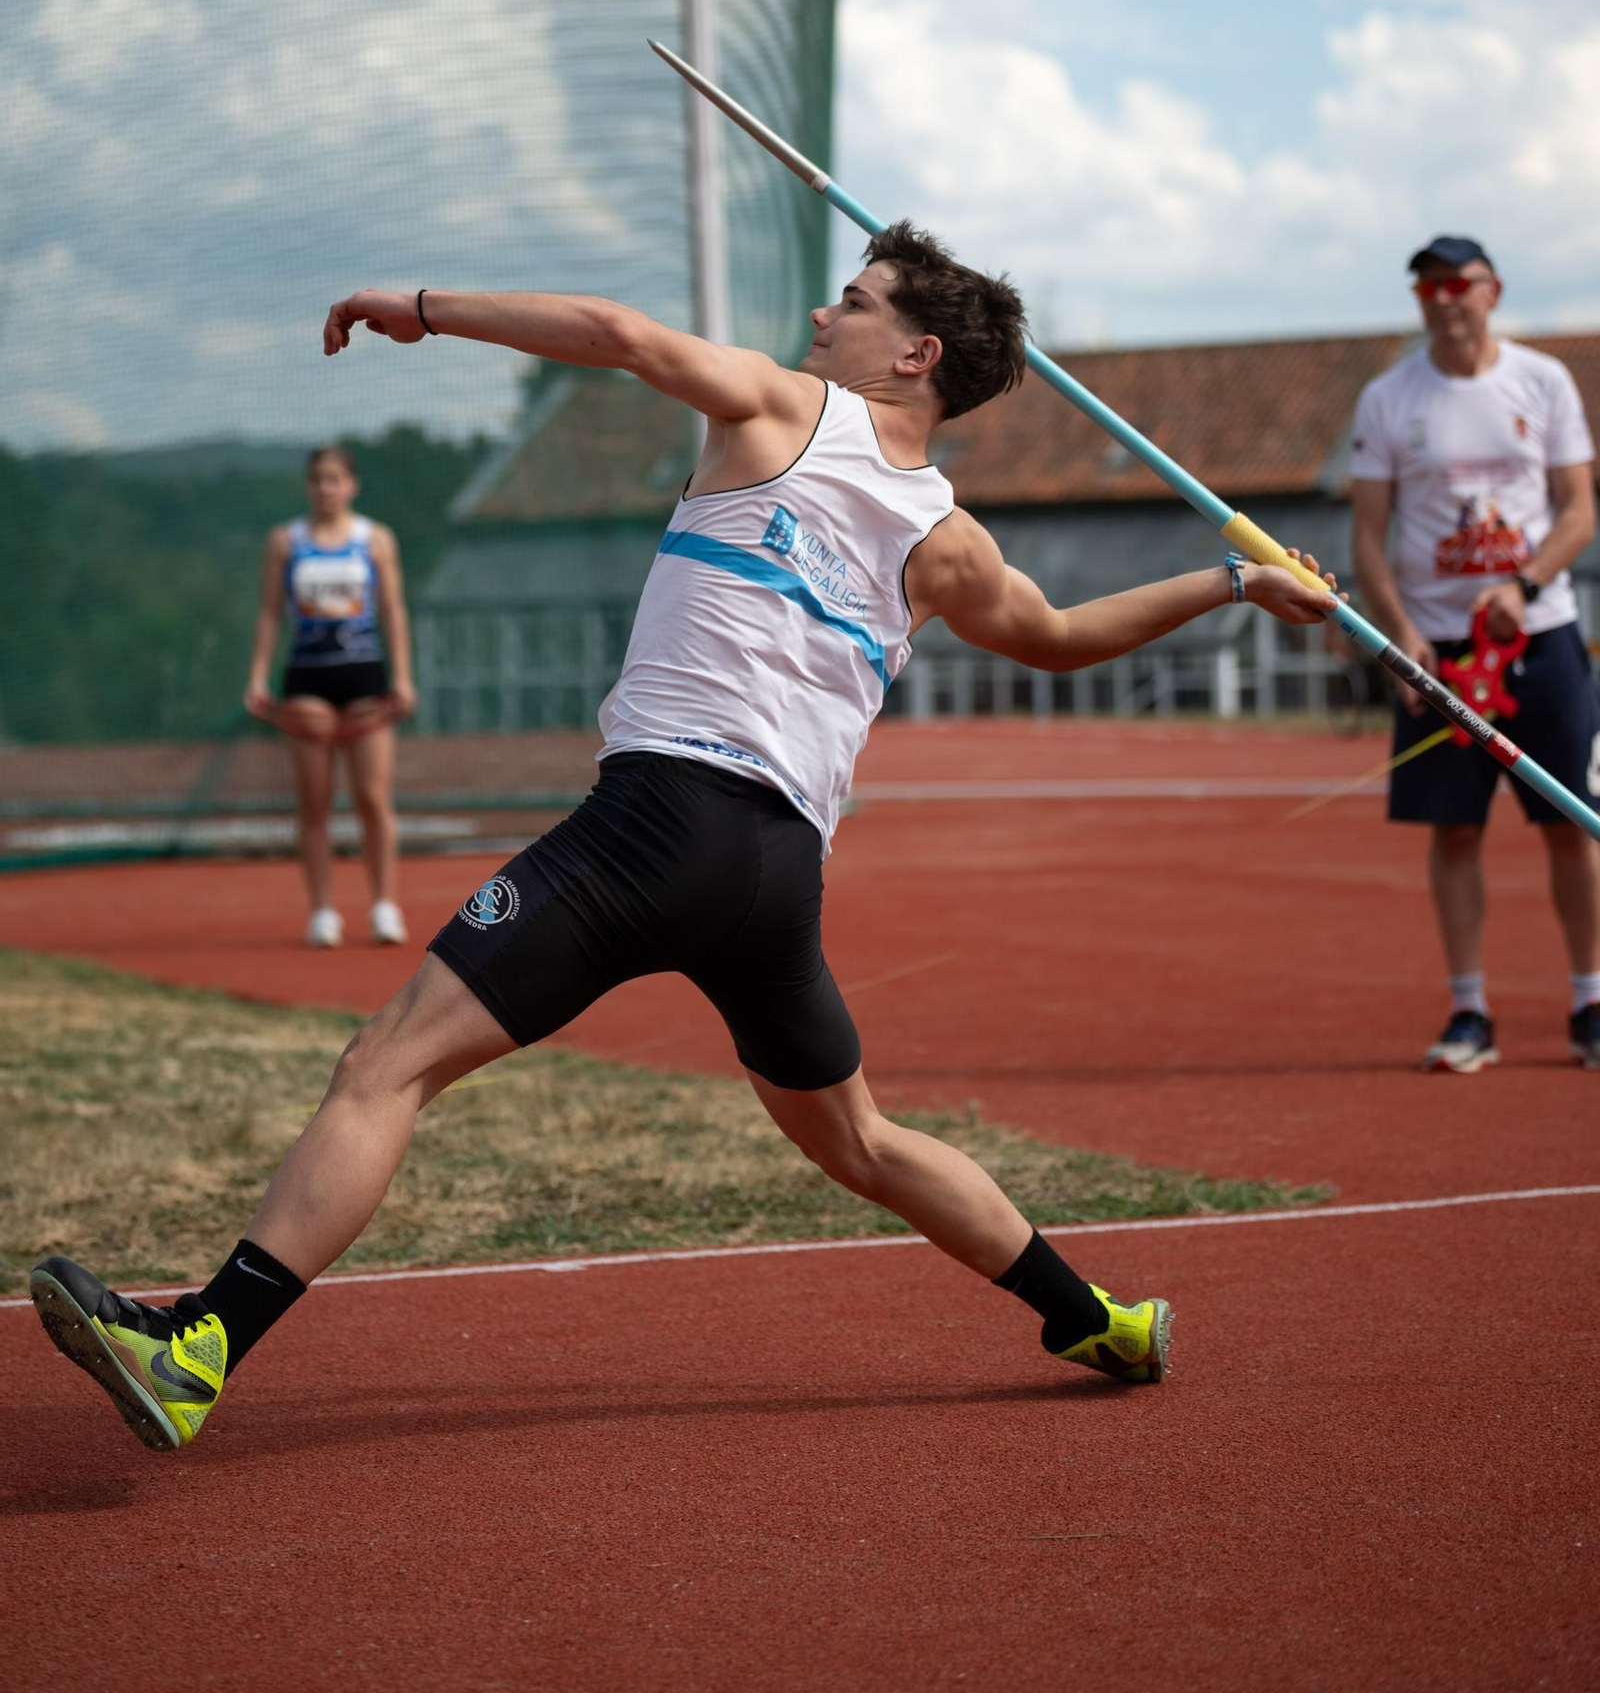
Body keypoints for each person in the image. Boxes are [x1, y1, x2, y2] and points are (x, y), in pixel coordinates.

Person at [31, 230, 1337, 1452]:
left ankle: (200, 1347)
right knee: (864, 1144)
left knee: (383, 1068)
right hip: (776, 878)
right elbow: (1057, 635)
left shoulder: (779, 409)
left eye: (858, 300)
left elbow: (615, 329)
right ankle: (1092, 1316)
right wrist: (1234, 578)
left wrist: (422, 309)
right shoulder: (952, 541)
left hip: (657, 823)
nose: (827, 311)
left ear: (915, 353)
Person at [1348, 236, 1600, 1074]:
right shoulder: (1389, 399)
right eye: (1427, 286)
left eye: (1459, 283)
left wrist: (1523, 588)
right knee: (1455, 830)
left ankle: (1589, 1000)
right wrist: (1399, 640)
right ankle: (1469, 1010)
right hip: (1437, 650)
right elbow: (1369, 539)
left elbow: (1577, 513)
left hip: (1540, 633)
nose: (1444, 298)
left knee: (1571, 824)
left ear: (1492, 290)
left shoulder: (1543, 381)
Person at [243, 443, 417, 949]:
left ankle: (384, 905)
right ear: (308, 485)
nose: (326, 488)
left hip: (364, 678)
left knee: (372, 798)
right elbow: (270, 613)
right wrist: (258, 677)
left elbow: (392, 611)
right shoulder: (285, 541)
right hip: (307, 680)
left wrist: (403, 678)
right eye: (318, 479)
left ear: (351, 485)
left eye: (335, 479)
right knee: (314, 803)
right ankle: (322, 911)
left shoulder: (375, 538)